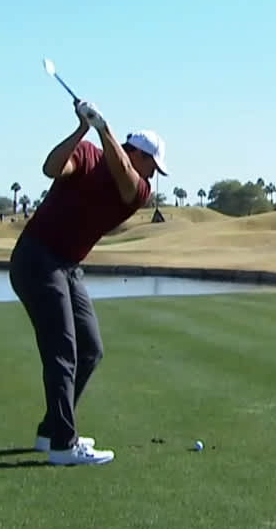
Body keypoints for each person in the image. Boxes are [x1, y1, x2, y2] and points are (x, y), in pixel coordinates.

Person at [11, 97, 168, 466]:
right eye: (153, 165)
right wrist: (84, 128)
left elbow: (127, 180)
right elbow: (51, 168)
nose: (153, 175)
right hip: (36, 258)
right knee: (62, 351)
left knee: (91, 349)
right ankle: (64, 445)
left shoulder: (138, 190)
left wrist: (104, 128)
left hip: (66, 265)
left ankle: (51, 431)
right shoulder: (86, 155)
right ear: (138, 154)